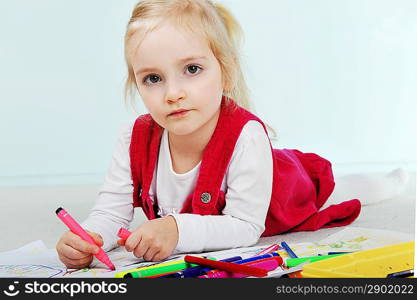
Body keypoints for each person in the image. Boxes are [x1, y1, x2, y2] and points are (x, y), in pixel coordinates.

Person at [55, 0, 405, 269]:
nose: (172, 93)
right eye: (153, 78)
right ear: (136, 83)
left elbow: (244, 227)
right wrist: (88, 236)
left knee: (333, 189)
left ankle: (386, 181)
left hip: (286, 188)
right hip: (255, 178)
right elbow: (111, 211)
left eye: (192, 69)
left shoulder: (247, 135)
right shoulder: (134, 137)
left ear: (225, 69)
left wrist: (177, 230)